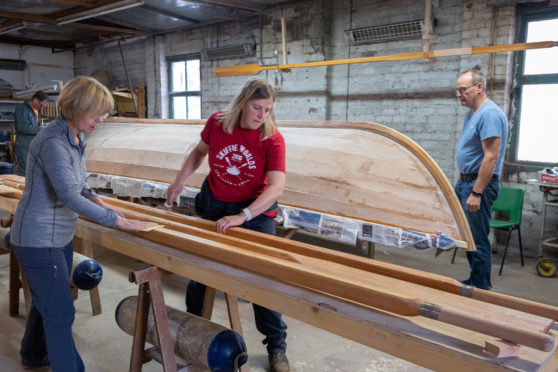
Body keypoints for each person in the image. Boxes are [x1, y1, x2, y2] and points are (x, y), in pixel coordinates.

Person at [10, 76, 157, 371]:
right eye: (96, 113)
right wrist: (116, 222)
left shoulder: (77, 137)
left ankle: (32, 355)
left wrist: (108, 206)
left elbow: (82, 185)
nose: (101, 120)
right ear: (75, 108)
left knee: (47, 301)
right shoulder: (52, 141)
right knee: (61, 312)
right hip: (38, 240)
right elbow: (68, 195)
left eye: (104, 113)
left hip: (60, 235)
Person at [166, 78, 289, 372]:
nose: (262, 115)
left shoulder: (272, 138)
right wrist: (178, 182)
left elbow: (276, 189)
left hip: (254, 213)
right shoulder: (218, 123)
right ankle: (191, 332)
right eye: (257, 108)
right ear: (242, 104)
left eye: (268, 110)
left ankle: (276, 346)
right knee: (200, 272)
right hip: (216, 205)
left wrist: (242, 216)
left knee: (260, 279)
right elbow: (199, 152)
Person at [454, 66, 508, 290]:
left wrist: (476, 192)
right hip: (465, 181)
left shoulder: (490, 114)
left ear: (479, 87)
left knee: (477, 239)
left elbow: (490, 158)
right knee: (467, 236)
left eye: (463, 90)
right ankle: (475, 280)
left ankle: (481, 287)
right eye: (457, 90)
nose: (459, 94)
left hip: (478, 185)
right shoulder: (472, 113)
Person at [14, 90, 49, 176]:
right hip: (24, 146)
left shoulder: (37, 111)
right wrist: (42, 129)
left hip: (33, 145)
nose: (41, 107)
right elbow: (21, 128)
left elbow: (36, 128)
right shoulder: (22, 108)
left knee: (34, 172)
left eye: (43, 106)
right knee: (26, 173)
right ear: (35, 100)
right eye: (41, 105)